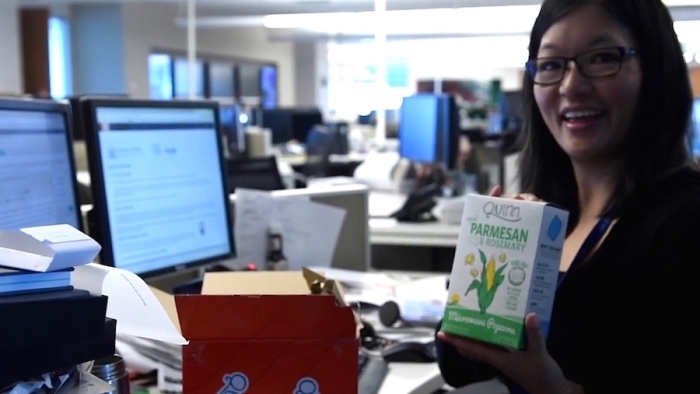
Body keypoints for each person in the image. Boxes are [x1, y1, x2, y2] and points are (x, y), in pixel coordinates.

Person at [435, 0, 700, 393]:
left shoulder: (687, 224)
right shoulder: (550, 216)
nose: (571, 85)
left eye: (602, 57)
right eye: (550, 64)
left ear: (655, 69)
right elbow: (461, 367)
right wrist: (479, 279)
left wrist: (554, 388)